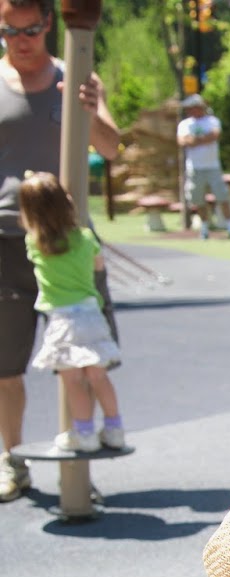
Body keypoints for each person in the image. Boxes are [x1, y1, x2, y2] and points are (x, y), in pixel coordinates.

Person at [0, 0, 121, 502]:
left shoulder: (75, 76)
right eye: (9, 31)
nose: (20, 41)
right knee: (6, 366)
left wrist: (90, 112)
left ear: (48, 24)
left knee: (85, 358)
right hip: (8, 240)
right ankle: (12, 461)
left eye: (29, 29)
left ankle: (79, 470)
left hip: (68, 245)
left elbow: (111, 147)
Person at [18, 172, 124, 453]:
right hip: (92, 314)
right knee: (99, 377)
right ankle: (114, 428)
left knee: (73, 380)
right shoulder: (86, 238)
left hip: (63, 320)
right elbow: (98, 266)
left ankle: (84, 433)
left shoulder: (35, 243)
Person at [177, 94, 230, 240]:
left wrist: (194, 140)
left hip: (213, 166)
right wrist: (203, 139)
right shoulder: (184, 124)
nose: (190, 110)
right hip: (194, 168)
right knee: (198, 200)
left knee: (222, 197)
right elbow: (182, 141)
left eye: (192, 107)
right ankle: (204, 229)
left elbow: (214, 136)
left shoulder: (212, 121)